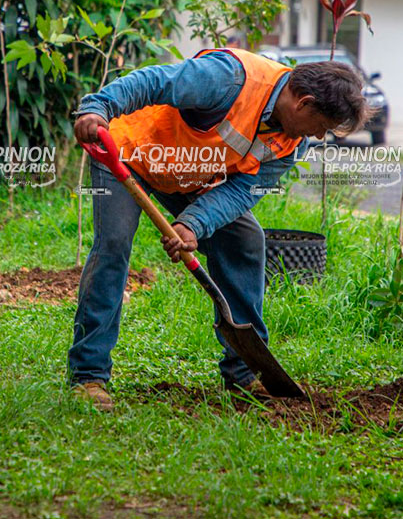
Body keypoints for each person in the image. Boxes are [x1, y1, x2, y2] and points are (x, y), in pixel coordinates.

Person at [69, 47, 373, 411]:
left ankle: (245, 372)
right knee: (113, 245)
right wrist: (98, 107)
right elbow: (153, 81)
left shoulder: (292, 143)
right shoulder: (230, 78)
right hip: (128, 153)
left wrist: (192, 224)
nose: (320, 137)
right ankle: (89, 374)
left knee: (244, 239)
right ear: (304, 104)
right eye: (322, 127)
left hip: (188, 175)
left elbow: (242, 190)